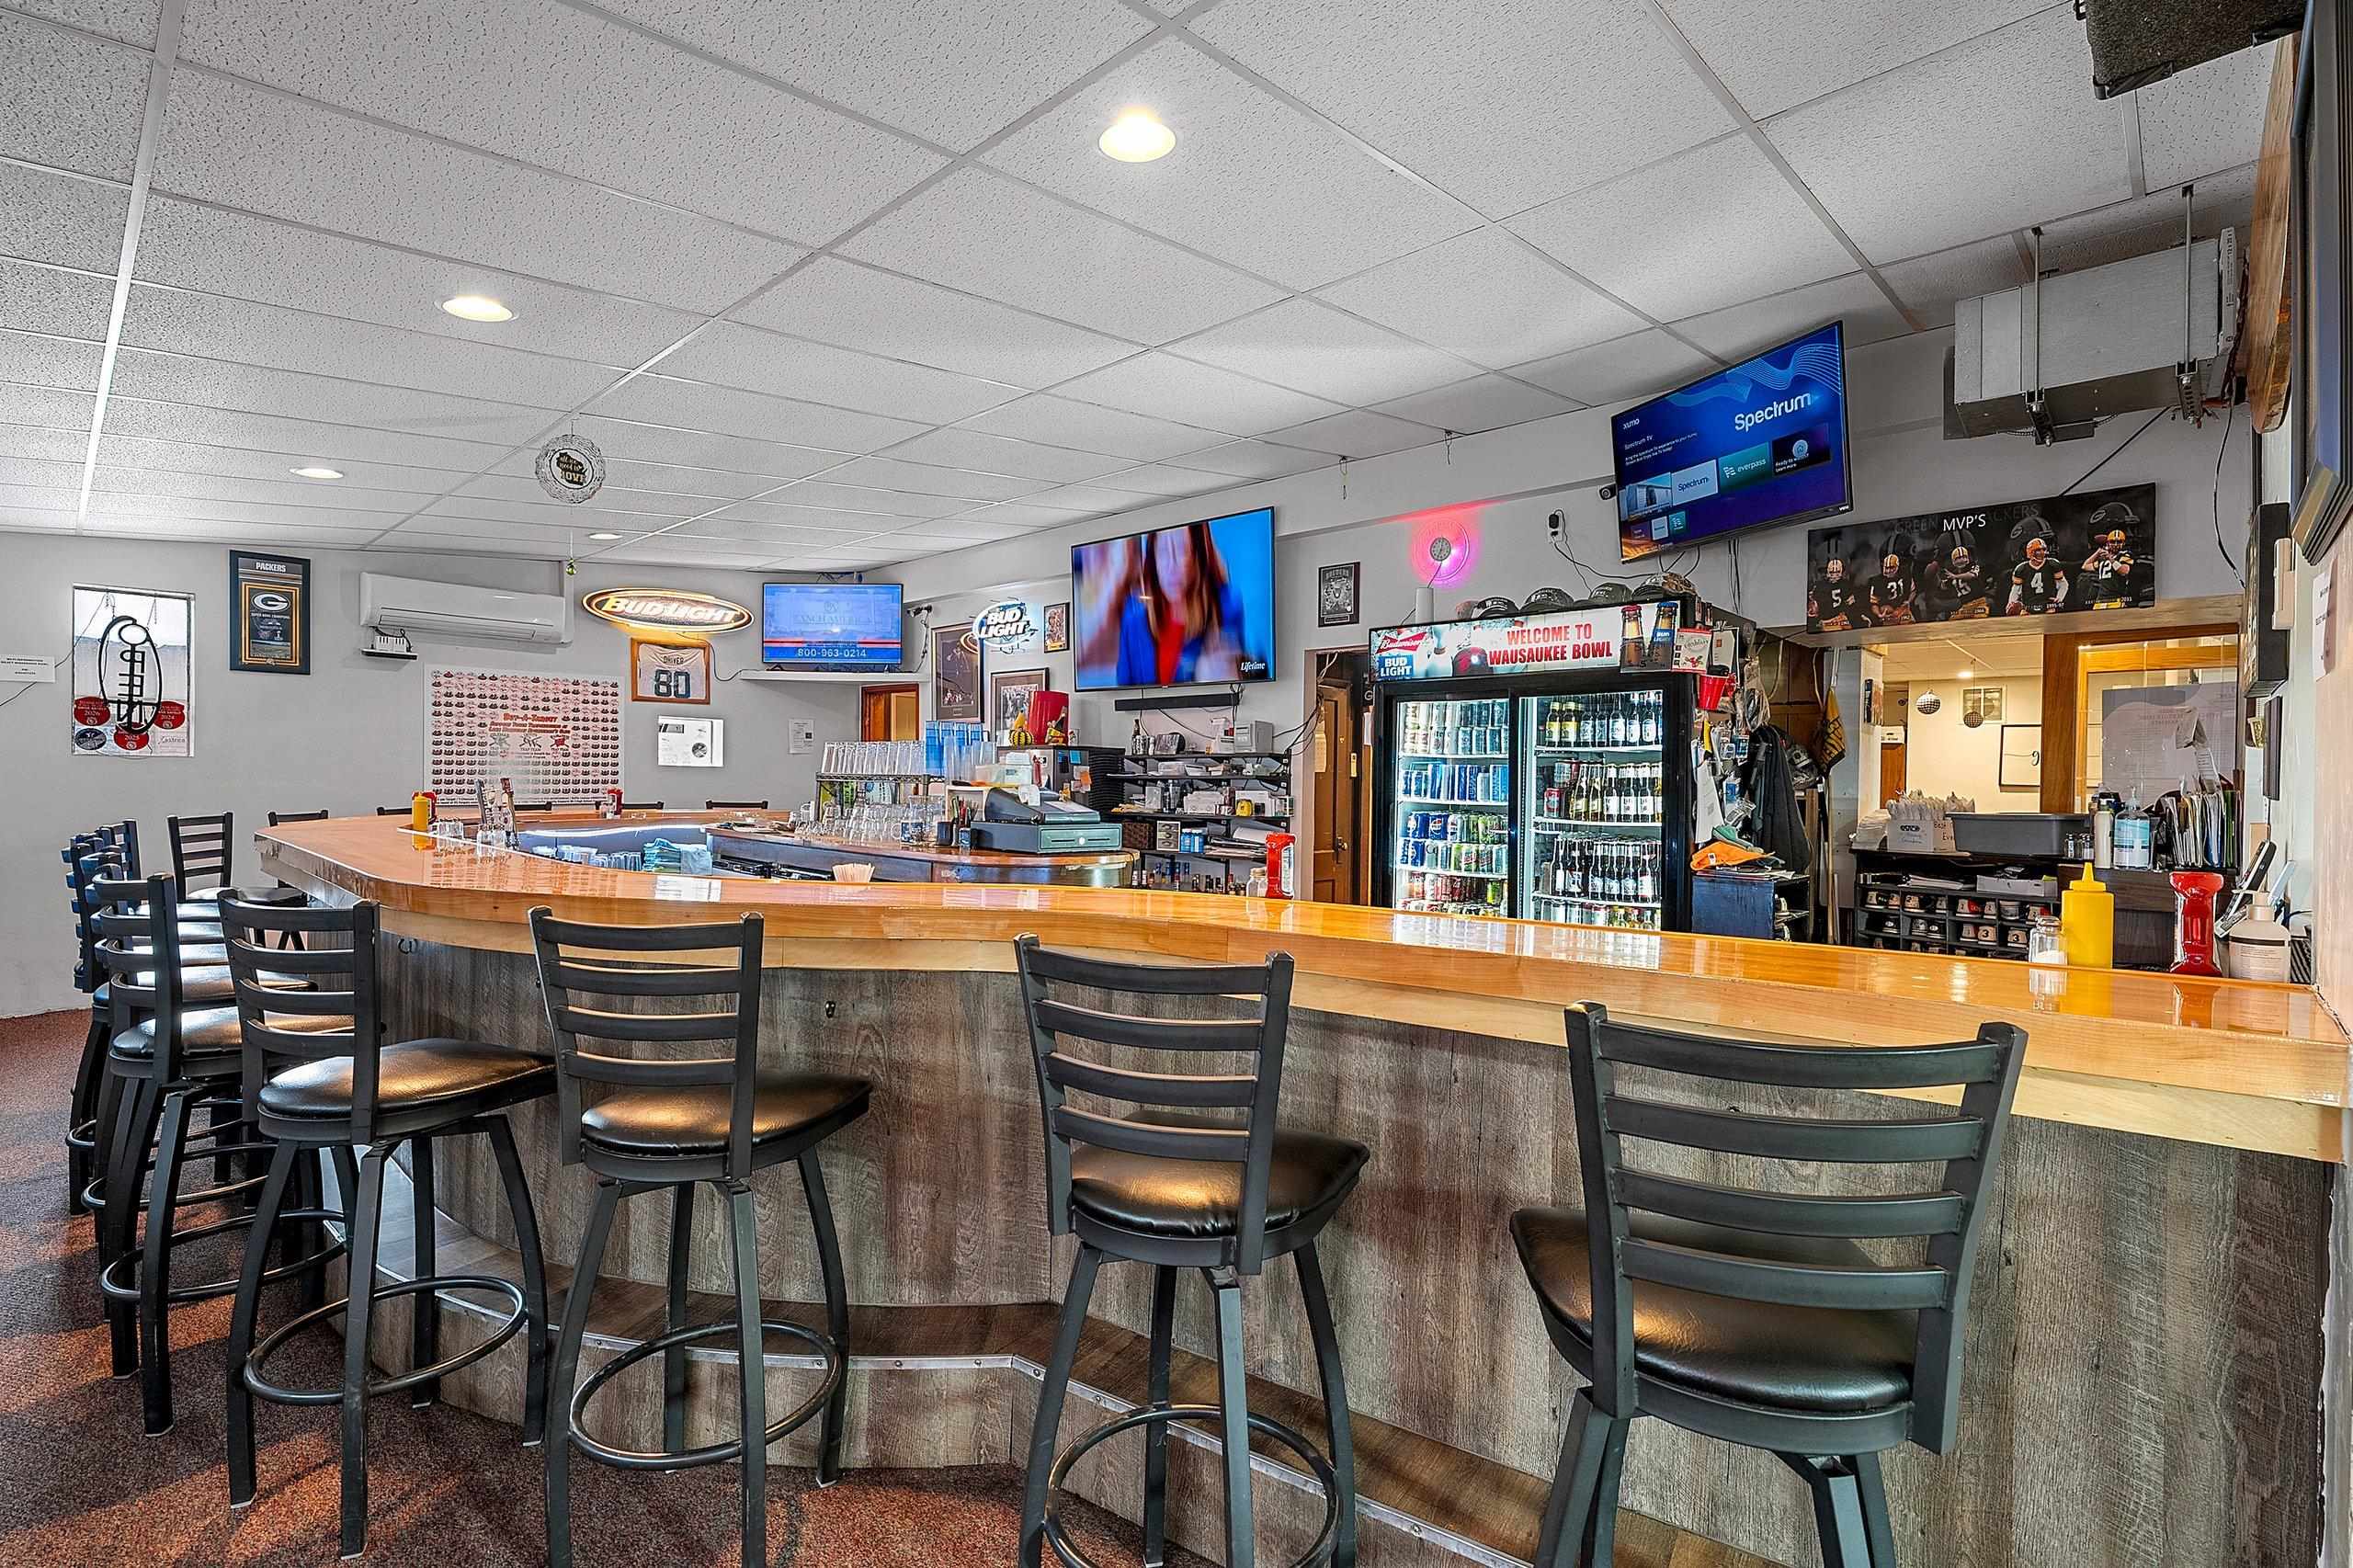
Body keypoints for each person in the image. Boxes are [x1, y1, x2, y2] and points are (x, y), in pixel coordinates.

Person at [1114, 522, 1252, 686]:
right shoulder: (1133, 617)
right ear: (1153, 559)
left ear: (1198, 555)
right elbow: (1123, 691)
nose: (1171, 566)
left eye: (1181, 550)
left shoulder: (1226, 605)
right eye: (1163, 552)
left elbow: (1234, 684)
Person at [2081, 511, 2138, 609]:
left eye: (2119, 542)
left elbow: (2124, 571)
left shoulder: (2125, 555)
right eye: (2112, 541)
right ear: (2108, 543)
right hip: (2100, 600)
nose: (2115, 544)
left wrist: (2110, 559)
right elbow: (2085, 566)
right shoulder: (2103, 560)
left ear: (2123, 543)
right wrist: (2098, 552)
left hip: (2116, 600)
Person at [2006, 535, 2068, 616]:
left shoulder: (2052, 564)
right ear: (2030, 552)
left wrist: (2059, 598)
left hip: (2048, 605)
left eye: (2043, 550)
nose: (2042, 552)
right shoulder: (2021, 569)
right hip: (2028, 606)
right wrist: (2011, 602)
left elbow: (2063, 584)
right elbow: (2015, 590)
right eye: (2038, 550)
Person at [1934, 544, 1991, 619]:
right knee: (1953, 619)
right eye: (1958, 558)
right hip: (1965, 606)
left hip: (1979, 603)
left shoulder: (1973, 566)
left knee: (1980, 617)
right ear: (1953, 561)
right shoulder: (1951, 573)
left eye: (1964, 557)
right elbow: (1943, 588)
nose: (1962, 560)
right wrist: (1942, 580)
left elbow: (1972, 575)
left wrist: (1955, 576)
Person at [1809, 553, 1863, 631]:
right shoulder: (1845, 584)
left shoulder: (1821, 585)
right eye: (1832, 572)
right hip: (1831, 619)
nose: (1834, 576)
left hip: (1838, 618)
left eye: (1837, 572)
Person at [1866, 551, 1917, 625]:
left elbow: (1913, 591)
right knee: (1886, 610)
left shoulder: (1906, 577)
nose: (1888, 570)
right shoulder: (1877, 581)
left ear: (1897, 566)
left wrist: (1909, 601)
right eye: (1886, 568)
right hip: (1887, 613)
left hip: (1902, 609)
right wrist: (1879, 614)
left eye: (1891, 567)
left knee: (1910, 626)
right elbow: (1874, 604)